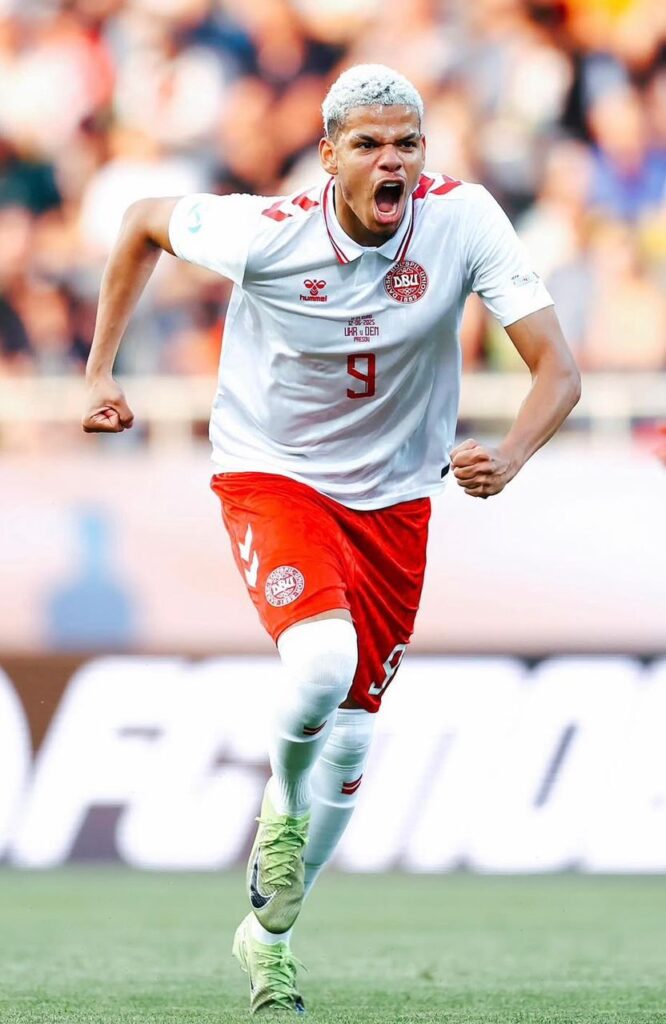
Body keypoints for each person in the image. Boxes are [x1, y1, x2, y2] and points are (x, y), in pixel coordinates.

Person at [82, 64, 581, 1016]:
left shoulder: (464, 221)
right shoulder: (267, 233)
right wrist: (99, 370)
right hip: (274, 472)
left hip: (396, 497)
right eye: (368, 144)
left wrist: (512, 455)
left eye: (407, 144)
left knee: (352, 748)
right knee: (319, 663)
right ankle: (280, 806)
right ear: (328, 157)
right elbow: (145, 215)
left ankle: (267, 939)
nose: (391, 161)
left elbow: (558, 367)